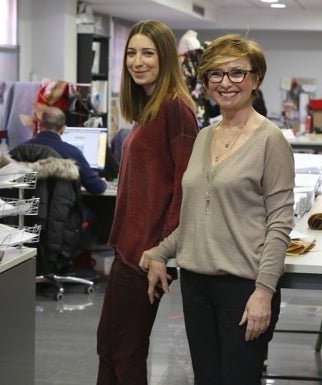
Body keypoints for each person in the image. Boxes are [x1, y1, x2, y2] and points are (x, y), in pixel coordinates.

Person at [141, 34, 295, 385]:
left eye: (237, 73)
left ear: (255, 79)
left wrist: (264, 292)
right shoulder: (204, 136)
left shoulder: (271, 140)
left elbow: (279, 225)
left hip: (243, 287)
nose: (226, 83)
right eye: (216, 74)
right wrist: (160, 252)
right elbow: (197, 218)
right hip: (195, 284)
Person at [96, 20, 199, 385]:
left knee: (125, 350)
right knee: (110, 346)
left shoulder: (176, 109)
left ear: (166, 58)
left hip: (147, 254)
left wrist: (161, 252)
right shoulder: (149, 109)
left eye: (148, 53)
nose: (137, 61)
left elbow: (187, 186)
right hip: (128, 248)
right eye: (131, 53)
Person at [23, 106, 107, 195]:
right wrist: (102, 182)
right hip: (62, 207)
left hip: (26, 207)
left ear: (39, 125)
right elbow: (97, 188)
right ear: (63, 129)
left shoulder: (21, 149)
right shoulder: (72, 153)